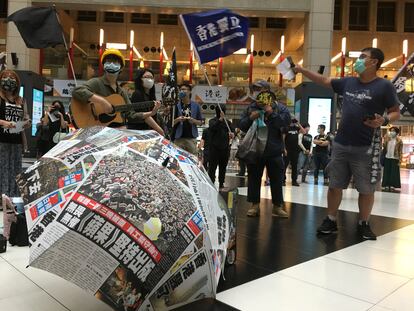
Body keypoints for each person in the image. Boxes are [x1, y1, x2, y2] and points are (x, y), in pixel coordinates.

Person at [294, 47, 400, 240]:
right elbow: (324, 80)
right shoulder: (349, 82)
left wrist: (383, 120)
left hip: (366, 146)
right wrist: (302, 71)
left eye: (362, 57)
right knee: (335, 184)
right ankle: (330, 219)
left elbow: (395, 111)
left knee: (366, 188)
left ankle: (363, 223)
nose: (358, 60)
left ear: (374, 62)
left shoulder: (383, 86)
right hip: (341, 144)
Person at [72, 48, 160, 129]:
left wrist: (150, 113)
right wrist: (102, 102)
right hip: (94, 129)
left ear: (121, 67)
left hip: (111, 132)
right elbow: (77, 91)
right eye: (108, 61)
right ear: (103, 65)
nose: (111, 64)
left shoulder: (121, 92)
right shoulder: (97, 82)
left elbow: (130, 115)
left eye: (115, 62)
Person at [239, 82, 291, 218]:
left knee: (277, 179)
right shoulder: (251, 107)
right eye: (254, 89)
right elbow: (242, 125)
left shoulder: (281, 108)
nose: (256, 92)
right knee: (254, 178)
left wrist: (271, 112)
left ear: (267, 91)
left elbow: (285, 125)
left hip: (274, 150)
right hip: (255, 150)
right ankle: (254, 205)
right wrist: (251, 118)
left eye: (258, 89)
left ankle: (277, 206)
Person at [0, 70, 31, 209]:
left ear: (17, 83)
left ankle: (13, 200)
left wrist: (26, 122)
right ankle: (2, 199)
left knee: (15, 170)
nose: (8, 80)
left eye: (12, 78)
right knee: (3, 169)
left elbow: (26, 118)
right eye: (5, 77)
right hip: (2, 139)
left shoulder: (21, 100)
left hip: (16, 140)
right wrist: (4, 123)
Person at [127, 69, 165, 136]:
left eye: (151, 77)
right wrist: (159, 130)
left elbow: (153, 114)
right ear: (140, 79)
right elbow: (145, 116)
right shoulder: (137, 94)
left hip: (148, 131)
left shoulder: (150, 96)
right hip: (139, 131)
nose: (149, 79)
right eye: (146, 77)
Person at [208, 105, 234, 189]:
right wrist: (220, 119)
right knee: (212, 167)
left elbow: (233, 132)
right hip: (214, 149)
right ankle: (211, 182)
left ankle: (221, 182)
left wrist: (233, 134)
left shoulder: (228, 123)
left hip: (225, 148)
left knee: (223, 167)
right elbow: (212, 128)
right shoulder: (212, 121)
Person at [173, 83, 203, 155]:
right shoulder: (176, 106)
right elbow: (171, 123)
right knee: (177, 158)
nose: (181, 91)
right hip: (178, 138)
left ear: (189, 91)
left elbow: (201, 122)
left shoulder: (196, 106)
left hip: (191, 138)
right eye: (180, 90)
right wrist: (178, 119)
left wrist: (193, 121)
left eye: (184, 89)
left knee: (193, 158)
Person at [283, 119, 305, 186]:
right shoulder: (286, 128)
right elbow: (283, 139)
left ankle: (294, 181)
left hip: (295, 150)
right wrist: (284, 149)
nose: (292, 122)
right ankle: (282, 180)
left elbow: (303, 131)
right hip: (287, 150)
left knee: (294, 166)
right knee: (284, 165)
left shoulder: (296, 128)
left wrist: (298, 123)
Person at [382, 126, 403, 192]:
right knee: (386, 172)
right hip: (387, 157)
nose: (392, 132)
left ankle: (393, 185)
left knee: (394, 173)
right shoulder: (387, 139)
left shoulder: (399, 140)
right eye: (391, 130)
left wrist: (400, 160)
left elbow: (400, 151)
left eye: (393, 131)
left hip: (395, 158)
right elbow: (384, 147)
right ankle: (386, 185)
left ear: (396, 132)